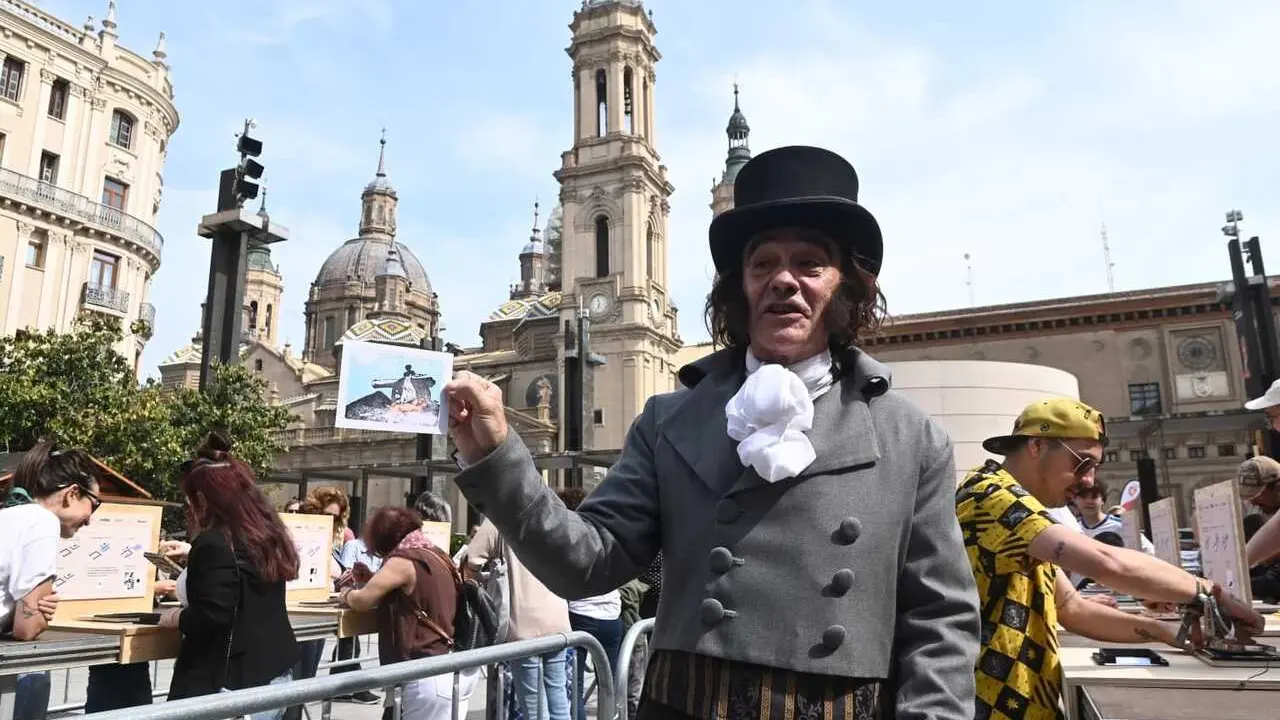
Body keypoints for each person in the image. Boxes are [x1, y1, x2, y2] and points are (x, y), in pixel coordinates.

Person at [444, 145, 981, 720]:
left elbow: (940, 622)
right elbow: (587, 562)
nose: (784, 280)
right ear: (739, 288)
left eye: (809, 263)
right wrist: (499, 456)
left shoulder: (910, 438)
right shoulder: (670, 421)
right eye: (763, 263)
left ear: (845, 287)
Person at [958, 398, 1264, 719]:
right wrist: (1210, 592)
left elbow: (1072, 609)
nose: (1088, 480)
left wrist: (1167, 632)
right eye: (1081, 463)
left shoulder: (1015, 511)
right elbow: (1106, 562)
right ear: (1036, 446)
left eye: (1094, 468)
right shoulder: (991, 496)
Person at [161, 434, 300, 720]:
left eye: (189, 502)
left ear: (202, 499)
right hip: (274, 674)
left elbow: (214, 613)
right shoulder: (266, 535)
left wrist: (178, 618)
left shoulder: (214, 542)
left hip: (231, 684)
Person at [340, 506, 478, 720]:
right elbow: (417, 592)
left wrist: (346, 593)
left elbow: (362, 600)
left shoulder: (404, 559)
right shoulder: (436, 554)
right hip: (448, 666)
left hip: (426, 673)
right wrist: (371, 578)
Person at [0, 444, 99, 720]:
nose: (91, 520)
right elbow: (27, 628)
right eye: (94, 504)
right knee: (35, 673)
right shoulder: (42, 522)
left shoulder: (9, 516)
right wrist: (38, 612)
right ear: (72, 493)